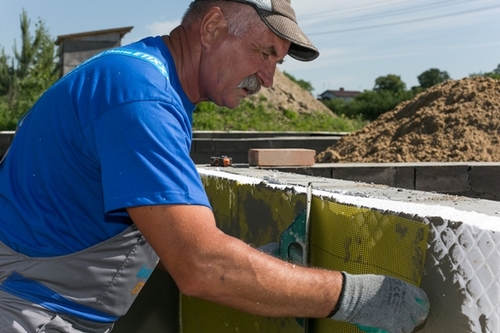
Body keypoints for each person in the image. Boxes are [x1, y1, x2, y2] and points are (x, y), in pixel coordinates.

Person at [0, 0, 430, 332]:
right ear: (212, 28)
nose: (268, 79)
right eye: (264, 53)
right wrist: (353, 296)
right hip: (31, 311)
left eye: (276, 62)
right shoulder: (140, 99)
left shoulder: (145, 79)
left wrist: (255, 267)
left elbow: (156, 231)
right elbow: (201, 266)